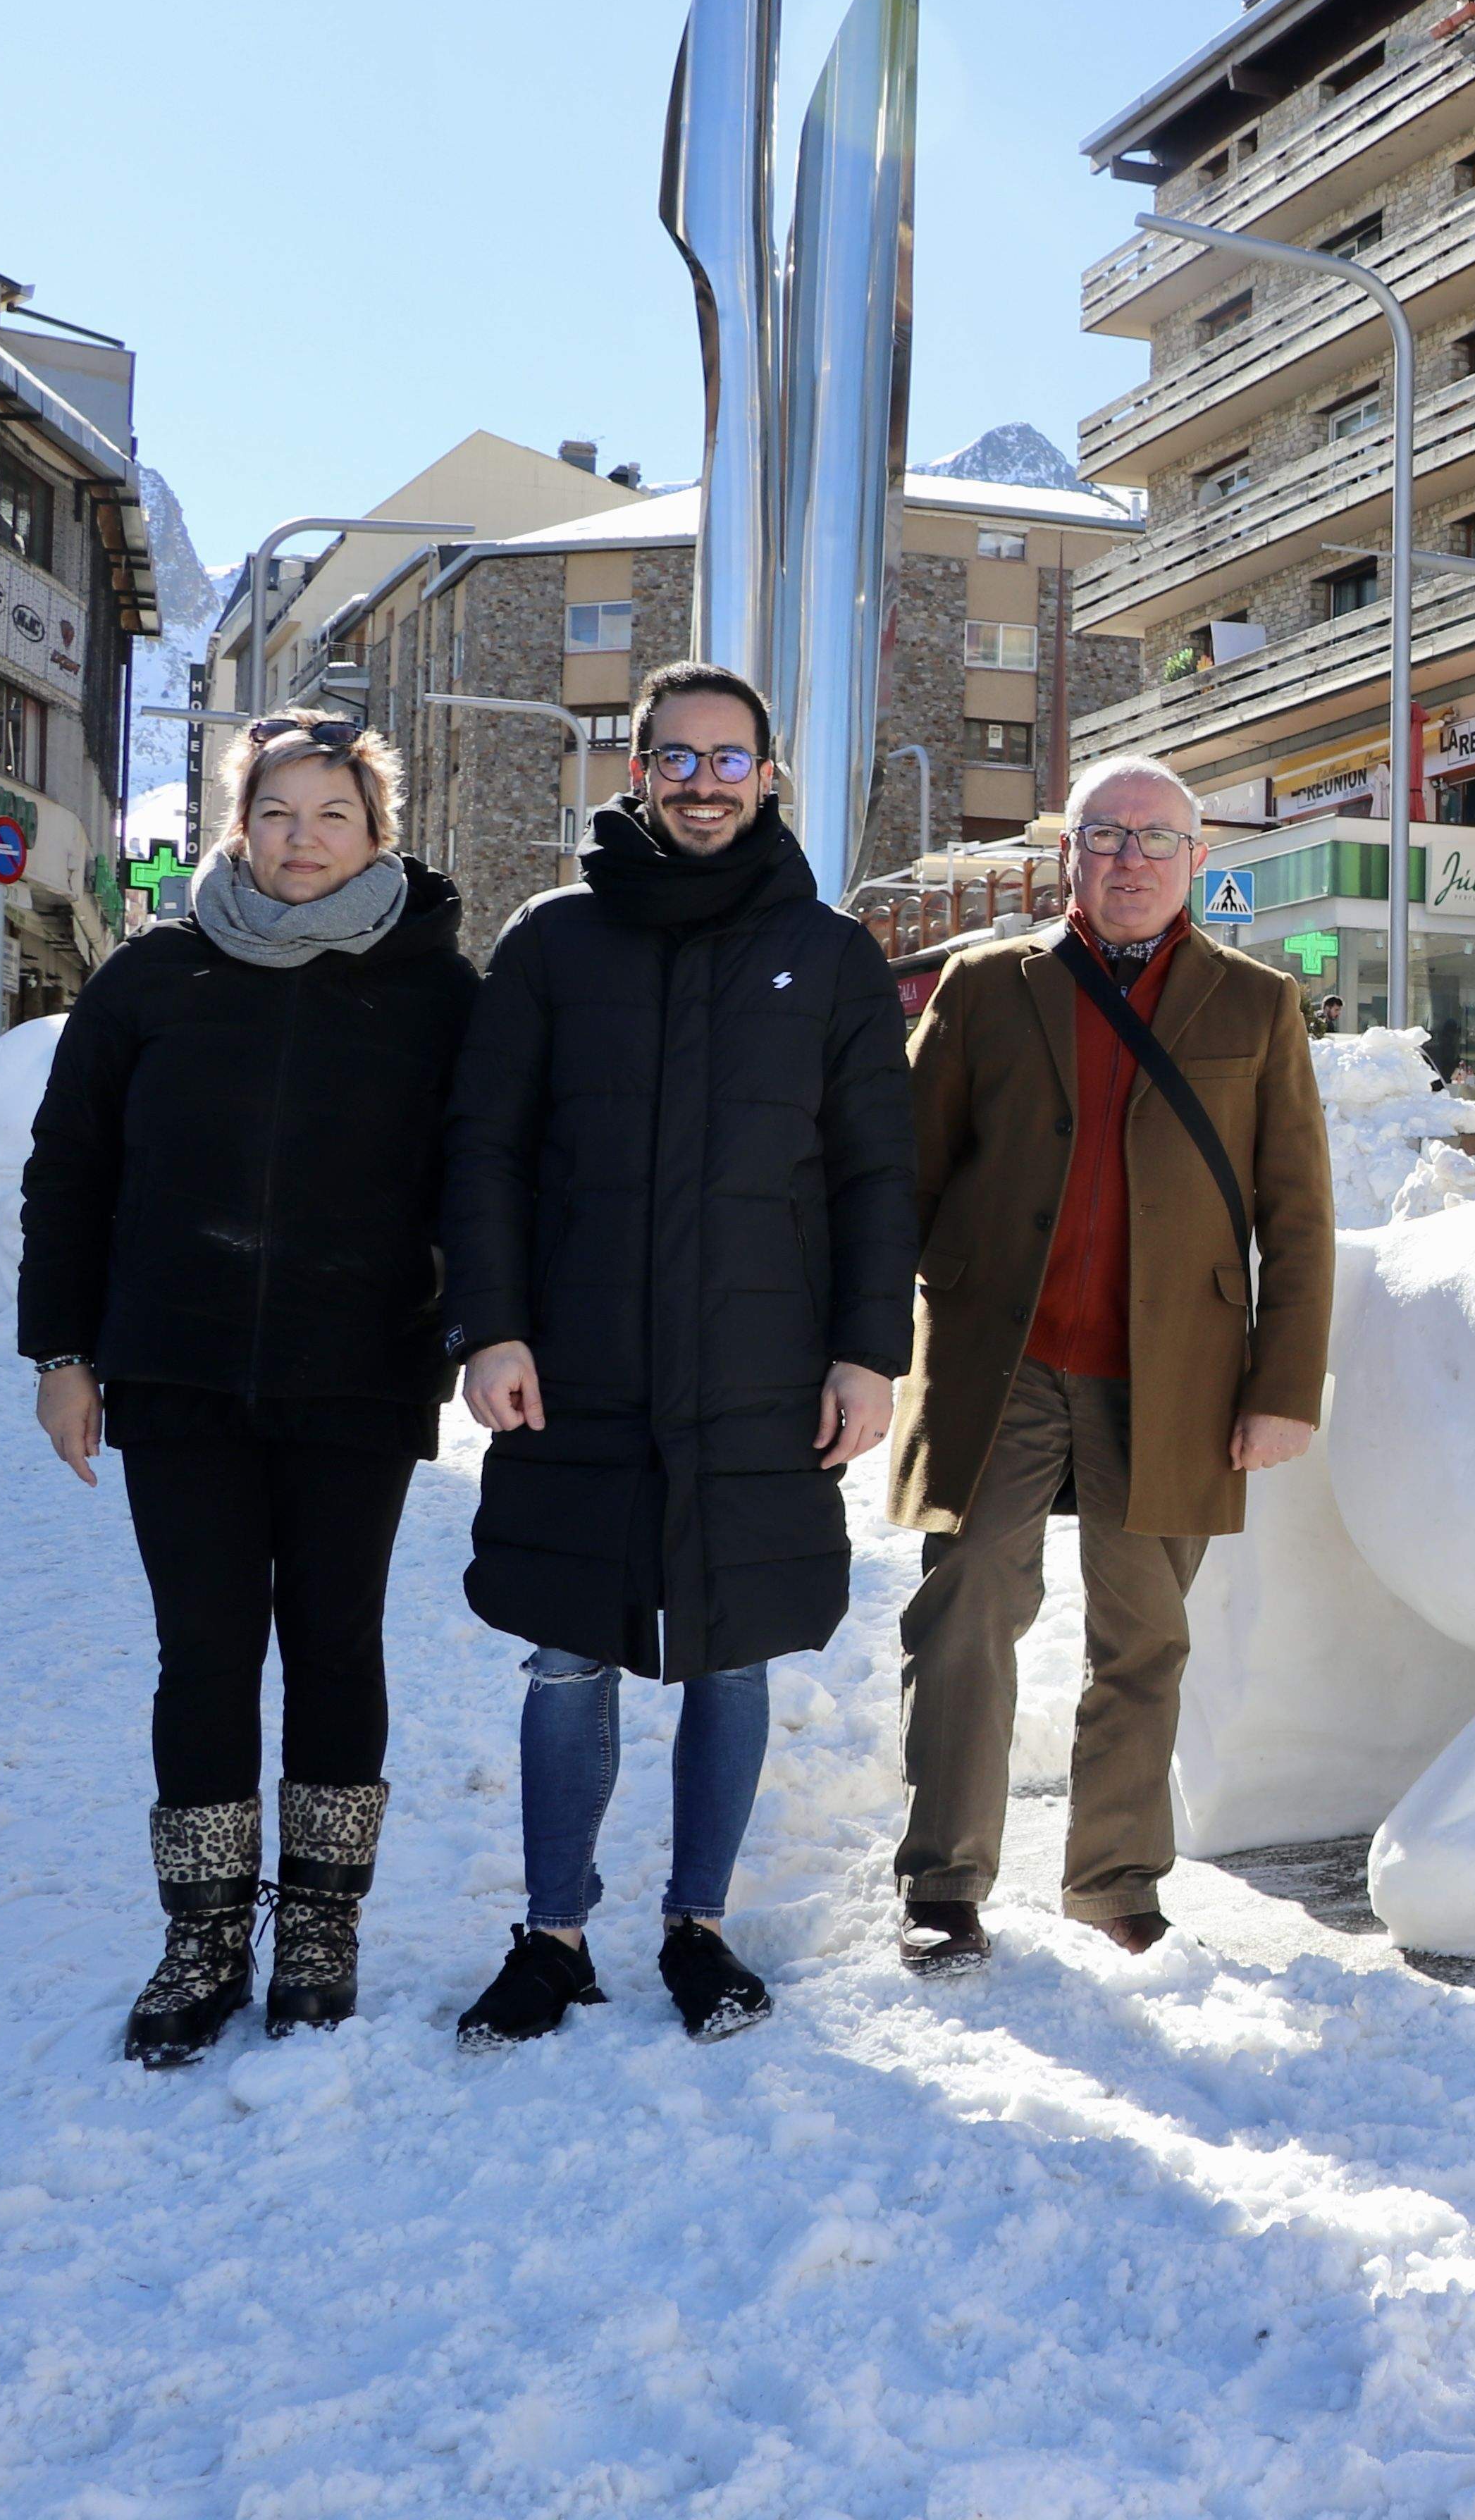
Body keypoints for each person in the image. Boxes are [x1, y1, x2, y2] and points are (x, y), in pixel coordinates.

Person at [437, 660, 917, 2046]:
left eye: (730, 758)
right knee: (565, 1655)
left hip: (759, 1368)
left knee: (732, 1646)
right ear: (636, 770)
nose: (704, 781)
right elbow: (485, 1152)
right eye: (676, 757)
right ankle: (553, 1934)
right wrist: (493, 1325)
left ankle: (696, 1927)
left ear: (766, 776)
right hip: (573, 1362)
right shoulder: (549, 945)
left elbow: (875, 1180)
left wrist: (865, 1352)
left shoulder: (830, 958)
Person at [16, 715, 479, 2065]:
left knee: (336, 1646)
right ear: (238, 822)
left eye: (333, 814)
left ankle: (323, 1924)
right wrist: (63, 1356)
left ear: (376, 832)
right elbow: (69, 1170)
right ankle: (206, 1933)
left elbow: (489, 1172)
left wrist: (478, 1326)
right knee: (205, 1654)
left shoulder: (441, 991)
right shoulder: (152, 977)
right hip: (177, 1369)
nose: (302, 839)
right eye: (278, 812)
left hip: (358, 1375)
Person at [884, 756, 1333, 1970]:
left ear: (1200, 862)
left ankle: (1117, 1879)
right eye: (1106, 837)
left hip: (1173, 1368)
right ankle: (945, 1881)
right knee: (968, 1602)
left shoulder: (1256, 1004)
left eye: (1157, 839)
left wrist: (1283, 1388)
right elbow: (904, 1179)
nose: (1131, 858)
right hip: (1007, 1362)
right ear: (1069, 856)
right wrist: (903, 1328)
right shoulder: (985, 987)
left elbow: (1296, 1213)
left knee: (1145, 1636)